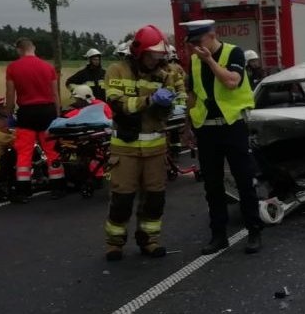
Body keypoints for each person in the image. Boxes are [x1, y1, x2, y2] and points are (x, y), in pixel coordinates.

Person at [102, 25, 183, 261]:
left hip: (155, 149)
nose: (155, 60)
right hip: (125, 149)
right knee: (122, 198)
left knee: (155, 198)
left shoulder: (165, 74)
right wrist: (149, 101)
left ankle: (149, 240)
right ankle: (114, 243)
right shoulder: (116, 71)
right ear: (138, 52)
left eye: (159, 55)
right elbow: (118, 106)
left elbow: (164, 115)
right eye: (151, 55)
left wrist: (167, 105)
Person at [183, 19, 262, 255]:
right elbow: (192, 95)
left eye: (198, 41)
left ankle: (254, 232)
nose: (195, 47)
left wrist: (209, 59)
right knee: (212, 185)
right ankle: (219, 235)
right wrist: (187, 126)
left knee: (244, 181)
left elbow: (231, 82)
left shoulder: (233, 53)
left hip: (232, 126)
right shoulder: (194, 61)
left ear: (211, 35)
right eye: (192, 43)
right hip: (206, 129)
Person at [4, 38, 64, 202]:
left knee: (24, 154)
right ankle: (57, 188)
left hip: (26, 114)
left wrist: (8, 115)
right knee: (52, 151)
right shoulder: (48, 67)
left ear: (19, 50)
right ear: (33, 48)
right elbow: (55, 94)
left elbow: (10, 96)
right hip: (47, 112)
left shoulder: (13, 68)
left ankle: (23, 191)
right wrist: (57, 115)